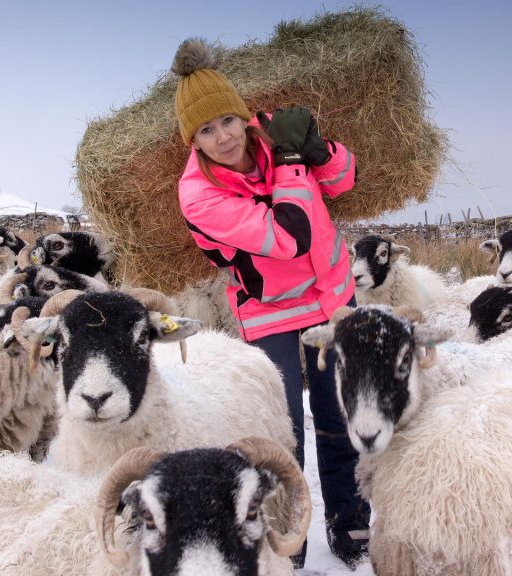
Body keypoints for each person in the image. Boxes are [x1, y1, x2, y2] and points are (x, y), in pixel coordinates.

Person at [171, 37, 370, 569]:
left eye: (228, 122)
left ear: (241, 115)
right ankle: (288, 539)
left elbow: (343, 180)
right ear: (193, 140)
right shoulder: (199, 195)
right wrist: (289, 163)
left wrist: (318, 148)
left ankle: (350, 522)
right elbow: (289, 235)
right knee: (283, 434)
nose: (223, 138)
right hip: (273, 315)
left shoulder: (269, 130)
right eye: (205, 131)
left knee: (339, 417)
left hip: (332, 299)